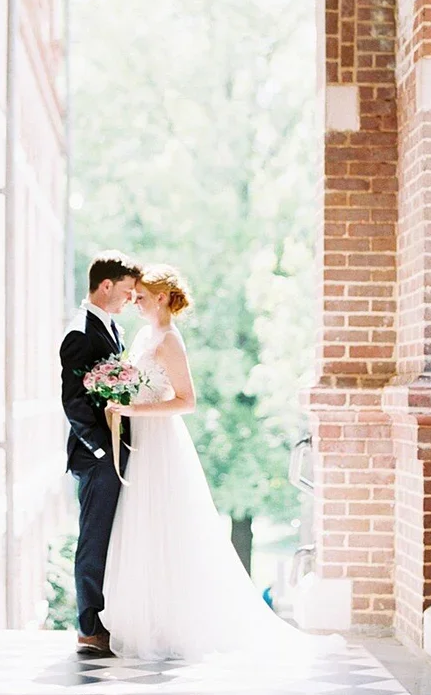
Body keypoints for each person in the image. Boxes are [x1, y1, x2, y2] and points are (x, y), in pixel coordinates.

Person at [101, 264, 341, 662]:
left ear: (161, 297)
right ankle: (153, 619)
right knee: (145, 524)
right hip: (141, 438)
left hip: (161, 441)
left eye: (141, 296)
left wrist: (133, 410)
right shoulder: (144, 335)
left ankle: (177, 624)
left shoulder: (169, 341)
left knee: (167, 524)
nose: (135, 302)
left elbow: (186, 402)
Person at [59, 250, 141, 656]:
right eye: (126, 292)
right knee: (94, 537)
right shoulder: (80, 333)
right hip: (97, 455)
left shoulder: (110, 328)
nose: (130, 300)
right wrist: (100, 449)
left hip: (118, 447)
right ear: (106, 286)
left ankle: (110, 618)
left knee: (115, 536)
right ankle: (89, 627)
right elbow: (73, 402)